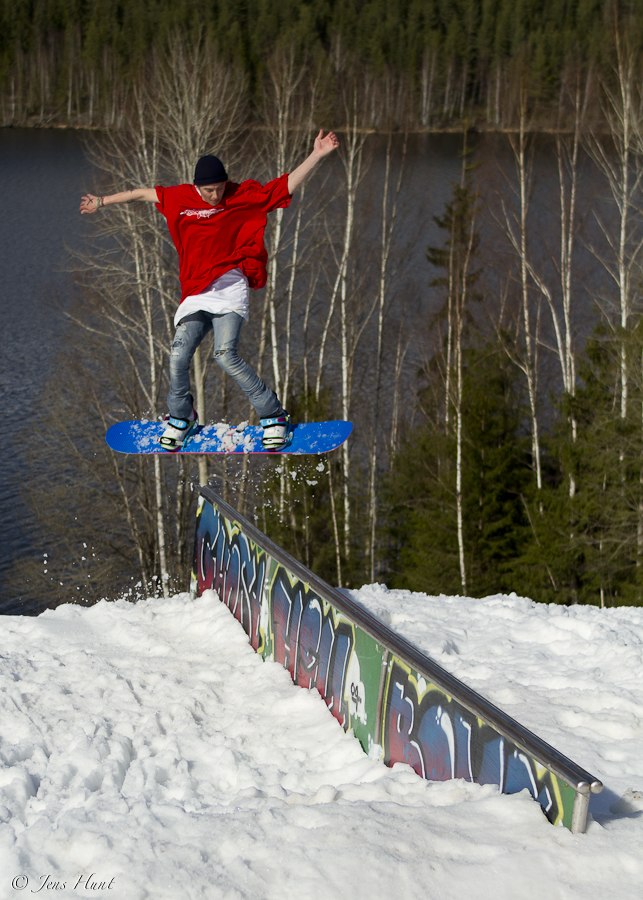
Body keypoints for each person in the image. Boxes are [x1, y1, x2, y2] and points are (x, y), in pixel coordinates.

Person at [80, 129, 340, 450]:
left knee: (224, 355)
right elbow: (139, 194)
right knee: (177, 356)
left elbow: (283, 186)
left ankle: (273, 416)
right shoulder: (178, 197)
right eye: (207, 191)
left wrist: (316, 154)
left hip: (230, 286)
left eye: (218, 189)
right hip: (196, 292)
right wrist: (101, 202)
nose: (214, 196)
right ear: (196, 186)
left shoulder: (240, 195)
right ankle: (182, 418)